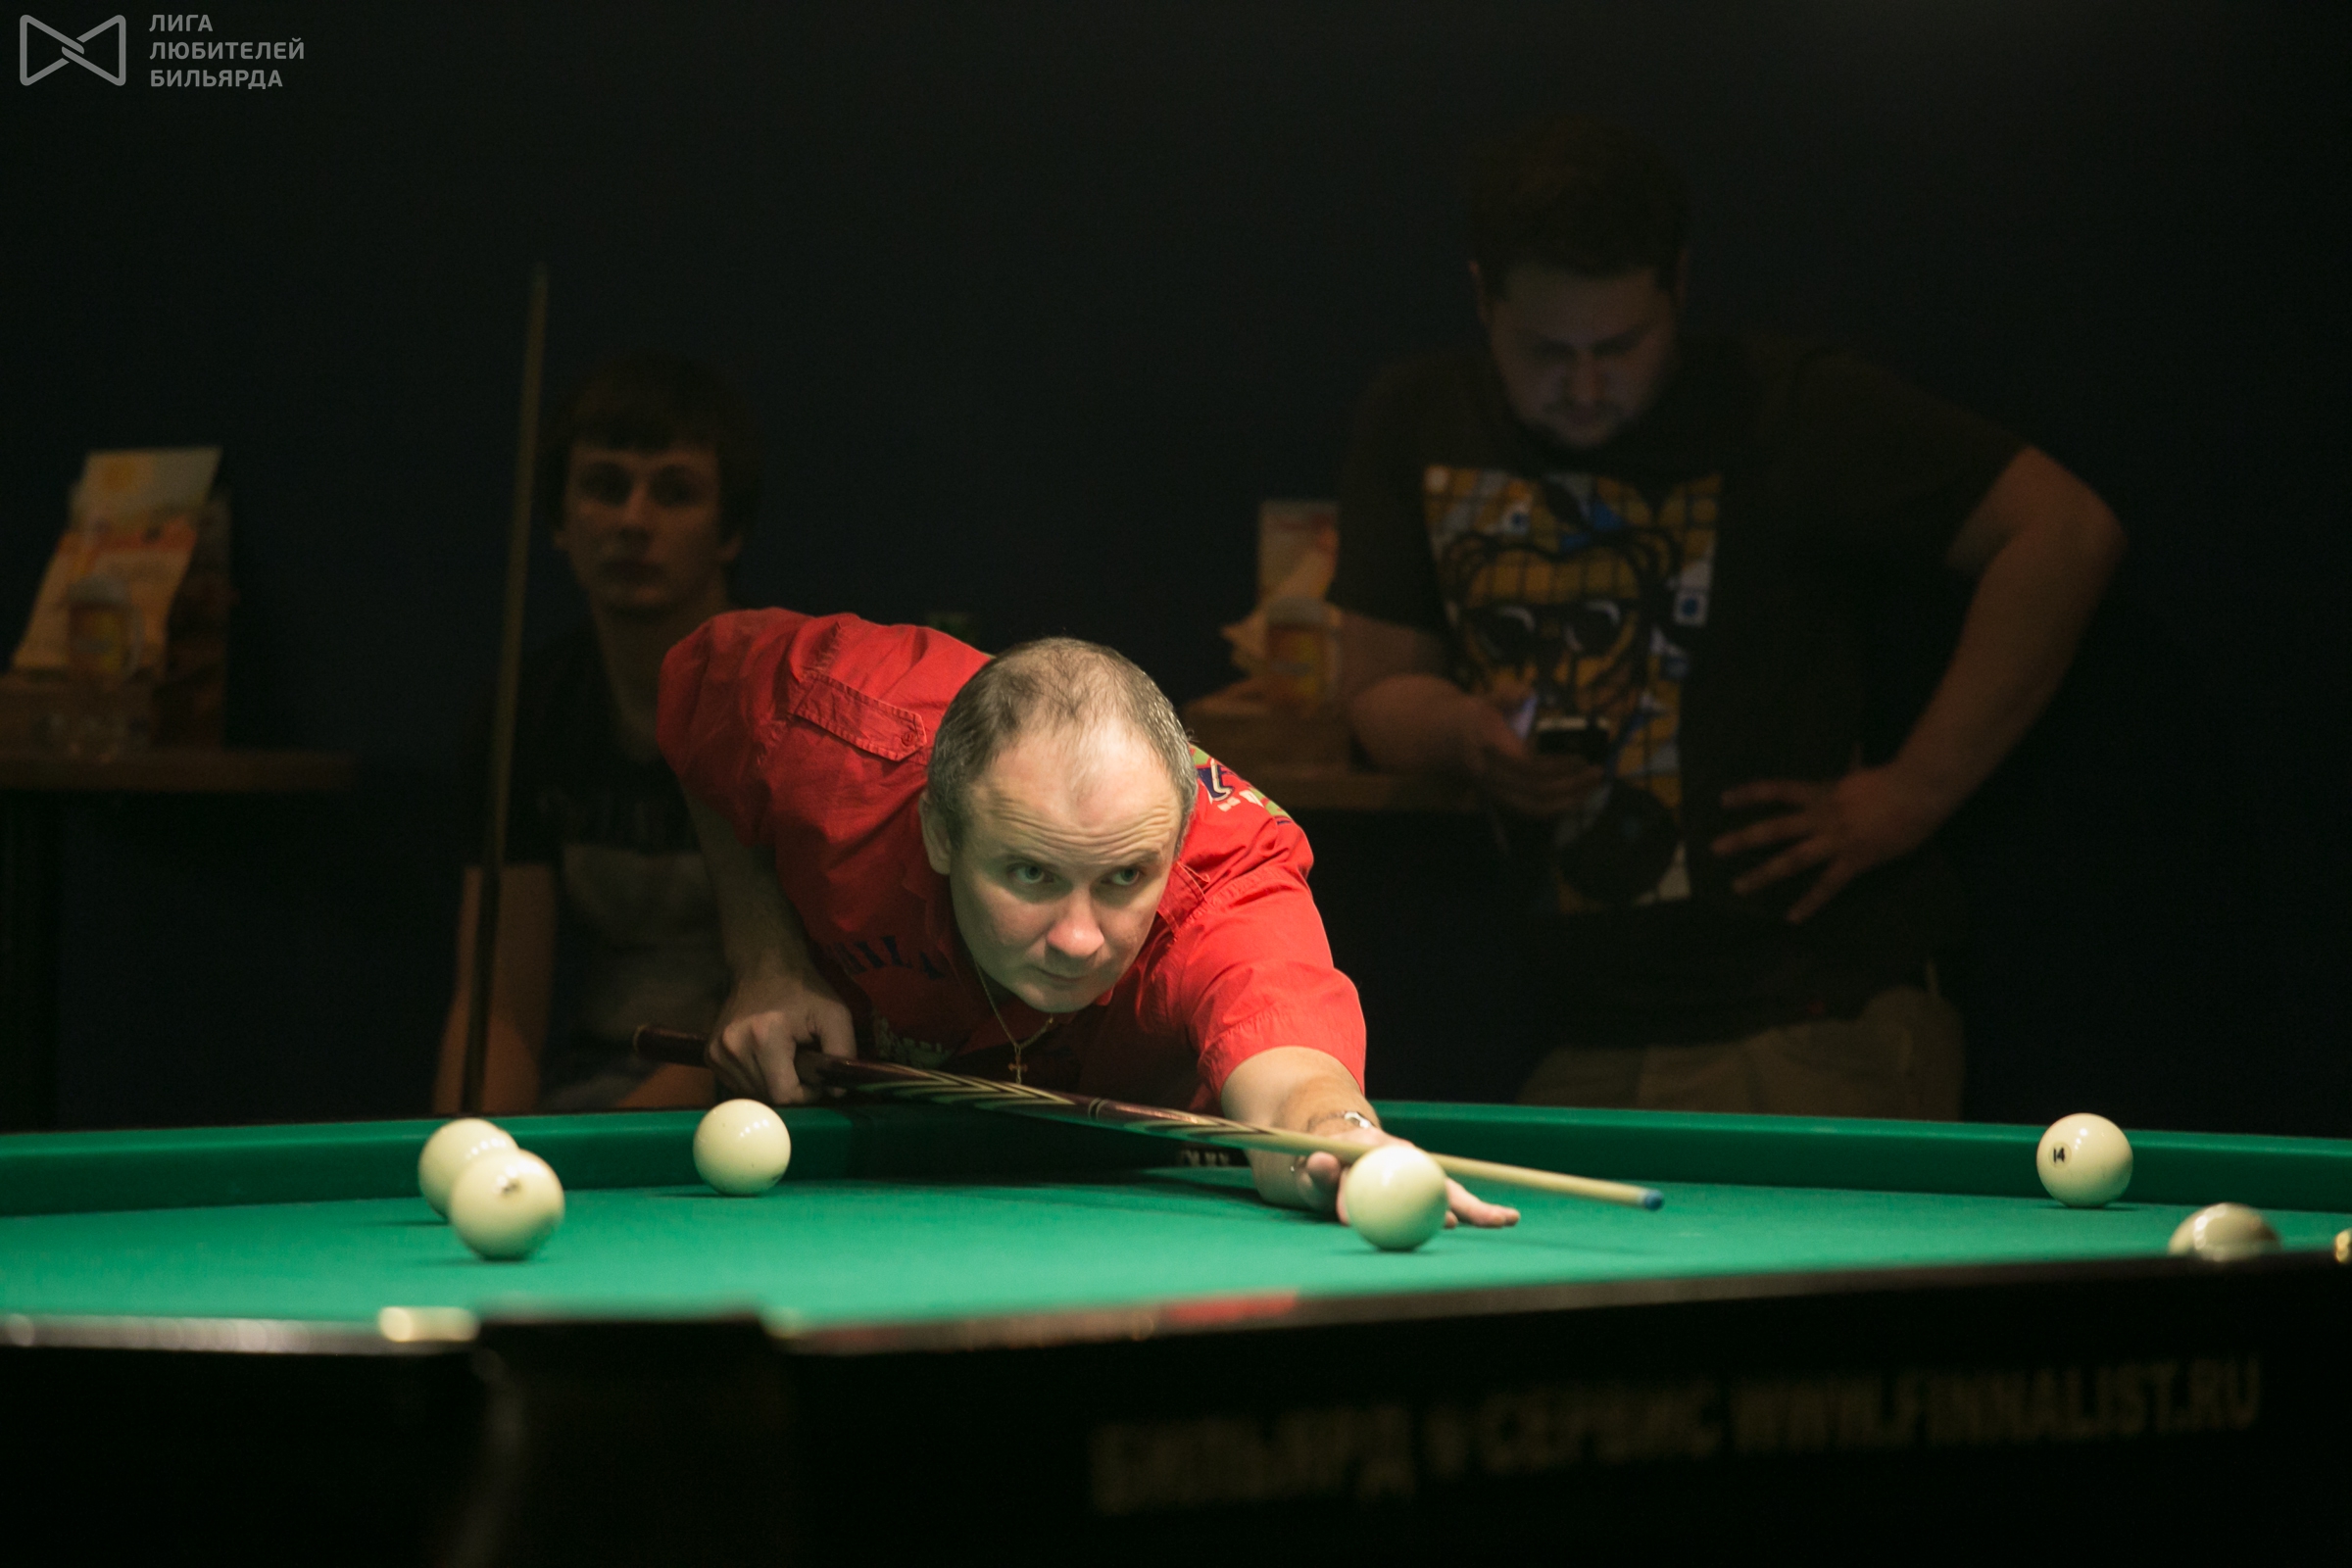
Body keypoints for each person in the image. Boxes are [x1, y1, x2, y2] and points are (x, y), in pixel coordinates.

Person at [1331, 116, 2126, 1118]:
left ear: (1680, 287)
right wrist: (1465, 735)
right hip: (1581, 1033)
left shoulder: (1784, 406)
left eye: (1620, 345)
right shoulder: (1418, 416)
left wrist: (1915, 791)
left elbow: (2064, 531)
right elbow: (1378, 689)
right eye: (1546, 351)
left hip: (1817, 1010)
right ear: (1482, 297)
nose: (1585, 386)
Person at [660, 612, 1517, 1227]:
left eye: (1124, 878)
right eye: (1031, 873)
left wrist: (1342, 1140)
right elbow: (701, 694)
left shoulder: (1228, 886)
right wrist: (766, 960)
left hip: (1122, 1212)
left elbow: (1295, 1080)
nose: (1078, 939)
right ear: (940, 832)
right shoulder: (834, 730)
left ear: (1174, 842)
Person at [431, 354, 760, 1114]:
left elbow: (800, 1009)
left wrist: (607, 1152)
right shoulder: (527, 713)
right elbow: (498, 1009)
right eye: (605, 486)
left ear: (730, 531)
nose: (633, 522)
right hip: (593, 1086)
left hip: (762, 1097)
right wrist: (472, 1148)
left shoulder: (787, 711)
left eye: (674, 492)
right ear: (559, 521)